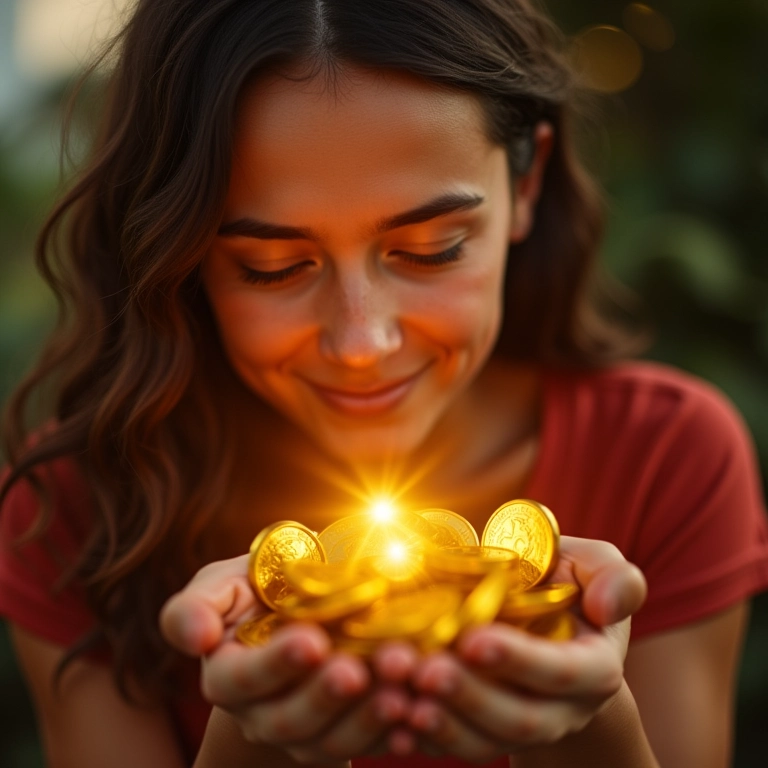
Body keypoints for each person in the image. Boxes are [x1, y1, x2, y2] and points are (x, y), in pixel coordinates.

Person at [1, 1, 767, 766]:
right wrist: (253, 741)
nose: (363, 343)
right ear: (179, 253)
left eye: (432, 251)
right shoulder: (71, 507)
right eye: (273, 268)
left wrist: (594, 738)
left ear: (524, 188)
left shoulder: (666, 457)